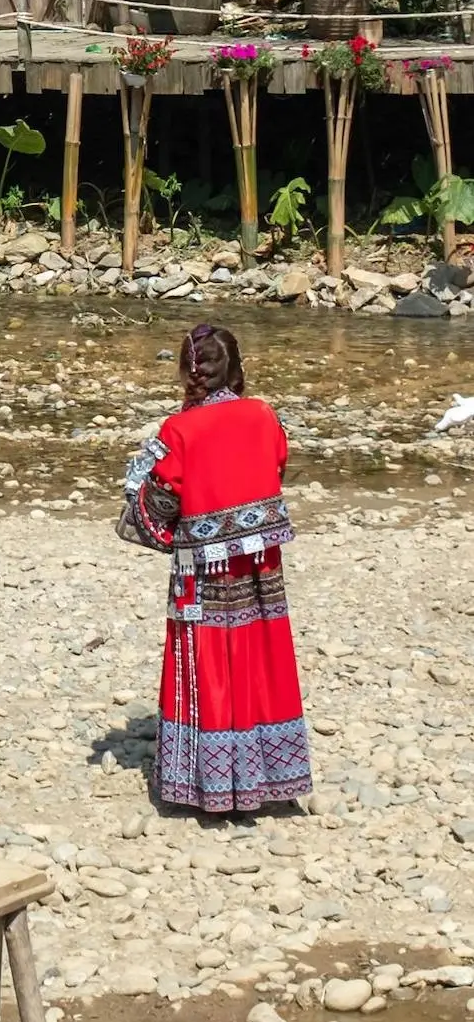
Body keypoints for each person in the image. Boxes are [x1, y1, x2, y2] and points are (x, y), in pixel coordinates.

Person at [118, 325, 312, 815]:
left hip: (201, 569)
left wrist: (135, 497)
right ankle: (269, 775)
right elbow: (277, 465)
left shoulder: (176, 430)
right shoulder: (264, 415)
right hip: (261, 563)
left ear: (189, 372)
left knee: (204, 658)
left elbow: (159, 503)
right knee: (260, 653)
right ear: (235, 368)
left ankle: (208, 781)